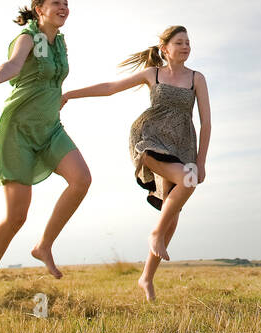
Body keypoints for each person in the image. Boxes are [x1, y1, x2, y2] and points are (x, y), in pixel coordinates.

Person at [62, 25, 210, 301]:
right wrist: (70, 94)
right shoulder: (152, 74)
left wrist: (201, 160)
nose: (186, 46)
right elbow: (110, 88)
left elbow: (206, 122)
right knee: (186, 182)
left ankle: (146, 277)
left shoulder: (196, 79)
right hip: (150, 138)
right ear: (165, 49)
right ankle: (155, 233)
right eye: (179, 42)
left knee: (173, 212)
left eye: (188, 42)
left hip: (182, 144)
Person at [0, 0, 91, 305]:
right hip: (19, 131)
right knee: (16, 217)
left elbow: (55, 80)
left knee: (81, 180)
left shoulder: (60, 43)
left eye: (66, 2)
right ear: (39, 8)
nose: (63, 7)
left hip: (50, 128)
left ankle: (44, 245)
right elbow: (11, 67)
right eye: (56, 3)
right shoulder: (28, 38)